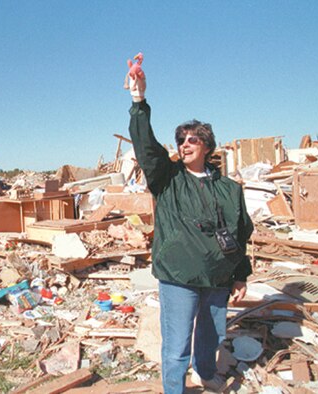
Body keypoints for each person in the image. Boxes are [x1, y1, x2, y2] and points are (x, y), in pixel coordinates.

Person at [124, 55, 254, 394]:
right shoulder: (167, 179)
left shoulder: (229, 188)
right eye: (180, 139)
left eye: (191, 139)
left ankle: (206, 373)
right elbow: (147, 147)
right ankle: (174, 390)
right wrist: (139, 101)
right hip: (179, 275)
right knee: (176, 344)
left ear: (207, 146)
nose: (184, 144)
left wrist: (240, 274)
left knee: (212, 335)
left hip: (218, 277)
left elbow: (241, 233)